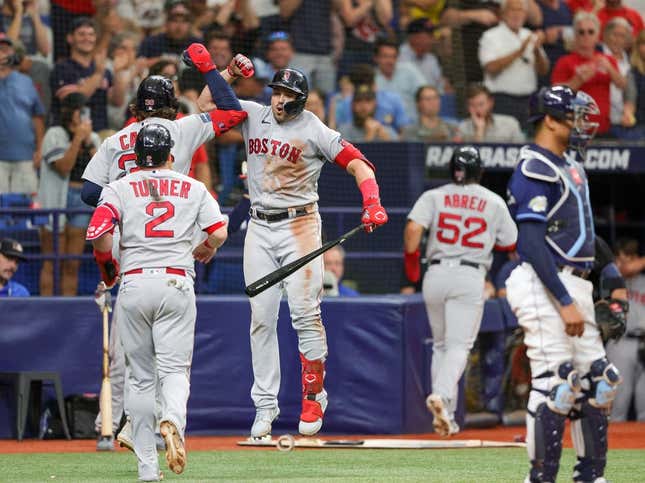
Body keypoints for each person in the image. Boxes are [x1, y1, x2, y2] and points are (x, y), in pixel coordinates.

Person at [197, 66, 389, 438]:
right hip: (259, 225)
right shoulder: (253, 113)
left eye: (287, 94)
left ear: (300, 99)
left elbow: (359, 164)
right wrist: (218, 71)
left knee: (304, 313)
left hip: (299, 225)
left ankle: (314, 393)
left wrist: (372, 200)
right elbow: (207, 103)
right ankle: (265, 407)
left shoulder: (314, 128)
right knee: (261, 318)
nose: (280, 99)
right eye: (276, 91)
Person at [81, 44, 251, 451]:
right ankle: (160, 422)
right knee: (170, 356)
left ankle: (120, 425)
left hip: (129, 244)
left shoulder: (116, 139)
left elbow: (88, 193)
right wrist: (212, 69)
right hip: (176, 245)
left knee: (129, 351)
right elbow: (234, 112)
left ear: (136, 109)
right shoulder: (182, 130)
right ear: (173, 108)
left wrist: (119, 199)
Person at [86, 123, 228, 481]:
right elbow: (220, 231)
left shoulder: (118, 187)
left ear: (135, 156)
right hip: (176, 281)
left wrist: (108, 270)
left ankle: (148, 470)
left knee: (139, 380)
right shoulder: (193, 187)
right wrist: (208, 248)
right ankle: (173, 420)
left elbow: (100, 237)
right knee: (174, 371)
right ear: (171, 155)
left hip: (134, 283)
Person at [505, 85, 623, 482]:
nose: (579, 123)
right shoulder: (534, 165)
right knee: (557, 382)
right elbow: (531, 243)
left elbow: (584, 231)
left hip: (575, 283)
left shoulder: (569, 162)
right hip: (544, 280)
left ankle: (590, 476)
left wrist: (608, 276)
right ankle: (540, 478)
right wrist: (562, 300)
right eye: (572, 115)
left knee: (599, 383)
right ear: (550, 120)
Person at [403, 145, 517, 436]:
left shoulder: (434, 195)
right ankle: (441, 395)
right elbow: (510, 242)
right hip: (469, 273)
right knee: (459, 346)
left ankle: (447, 416)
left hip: (436, 272)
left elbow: (414, 231)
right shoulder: (493, 201)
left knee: (441, 345)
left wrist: (412, 263)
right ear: (480, 171)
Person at [37, 92, 101, 296]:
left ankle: (67, 313)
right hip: (56, 200)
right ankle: (46, 309)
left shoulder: (94, 137)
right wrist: (78, 138)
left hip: (81, 200)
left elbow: (100, 170)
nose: (82, 115)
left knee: (72, 264)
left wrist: (88, 141)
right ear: (69, 112)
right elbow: (64, 166)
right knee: (51, 262)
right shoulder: (54, 134)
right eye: (79, 110)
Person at [478, 0, 550, 129]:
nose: (516, 14)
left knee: (529, 142)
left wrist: (537, 51)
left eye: (520, 10)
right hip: (502, 101)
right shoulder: (490, 36)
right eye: (512, 10)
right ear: (503, 13)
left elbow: (543, 70)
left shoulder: (529, 35)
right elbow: (490, 68)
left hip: (528, 101)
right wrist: (519, 51)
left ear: (525, 14)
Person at [0, 32, 45, 195]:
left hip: (25, 156)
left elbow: (37, 116)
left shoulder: (25, 81)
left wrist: (40, 149)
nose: (1, 54)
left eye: (5, 50)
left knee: (25, 210)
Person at [607, 238, 645, 421]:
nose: (623, 264)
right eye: (619, 259)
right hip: (620, 342)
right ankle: (615, 447)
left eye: (628, 259)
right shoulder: (611, 280)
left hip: (643, 340)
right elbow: (623, 270)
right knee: (617, 405)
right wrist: (625, 265)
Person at [457, 83, 525, 143]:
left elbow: (522, 151)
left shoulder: (510, 124)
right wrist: (479, 130)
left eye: (481, 104)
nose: (477, 109)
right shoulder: (463, 127)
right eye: (472, 105)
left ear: (491, 103)